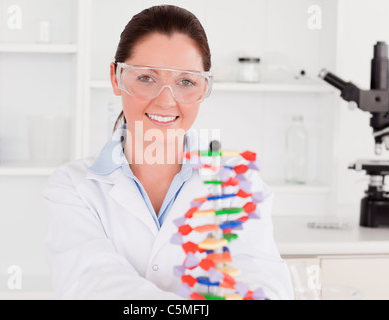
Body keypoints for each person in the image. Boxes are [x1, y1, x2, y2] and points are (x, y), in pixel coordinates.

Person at [43, 5, 294, 300]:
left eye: (186, 82)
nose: (166, 101)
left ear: (203, 89)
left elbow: (263, 285)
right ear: (115, 78)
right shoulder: (73, 187)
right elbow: (93, 284)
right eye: (147, 78)